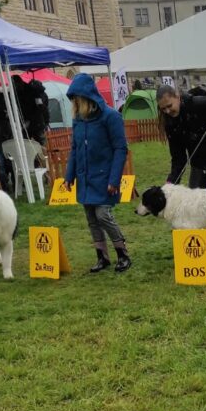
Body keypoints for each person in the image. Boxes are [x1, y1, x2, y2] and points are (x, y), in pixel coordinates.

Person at [156, 83, 206, 259]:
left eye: (169, 106)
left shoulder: (198, 103)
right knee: (192, 203)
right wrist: (171, 182)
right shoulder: (171, 124)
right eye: (163, 109)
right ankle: (196, 246)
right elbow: (178, 158)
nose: (168, 111)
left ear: (177, 97)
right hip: (199, 164)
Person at [64, 74, 131, 273]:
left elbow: (120, 149)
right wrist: (69, 175)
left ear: (87, 98)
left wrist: (114, 179)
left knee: (103, 215)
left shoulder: (110, 117)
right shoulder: (78, 120)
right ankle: (102, 257)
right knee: (92, 218)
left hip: (104, 177)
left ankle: (122, 254)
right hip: (85, 177)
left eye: (77, 100)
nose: (75, 104)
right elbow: (75, 149)